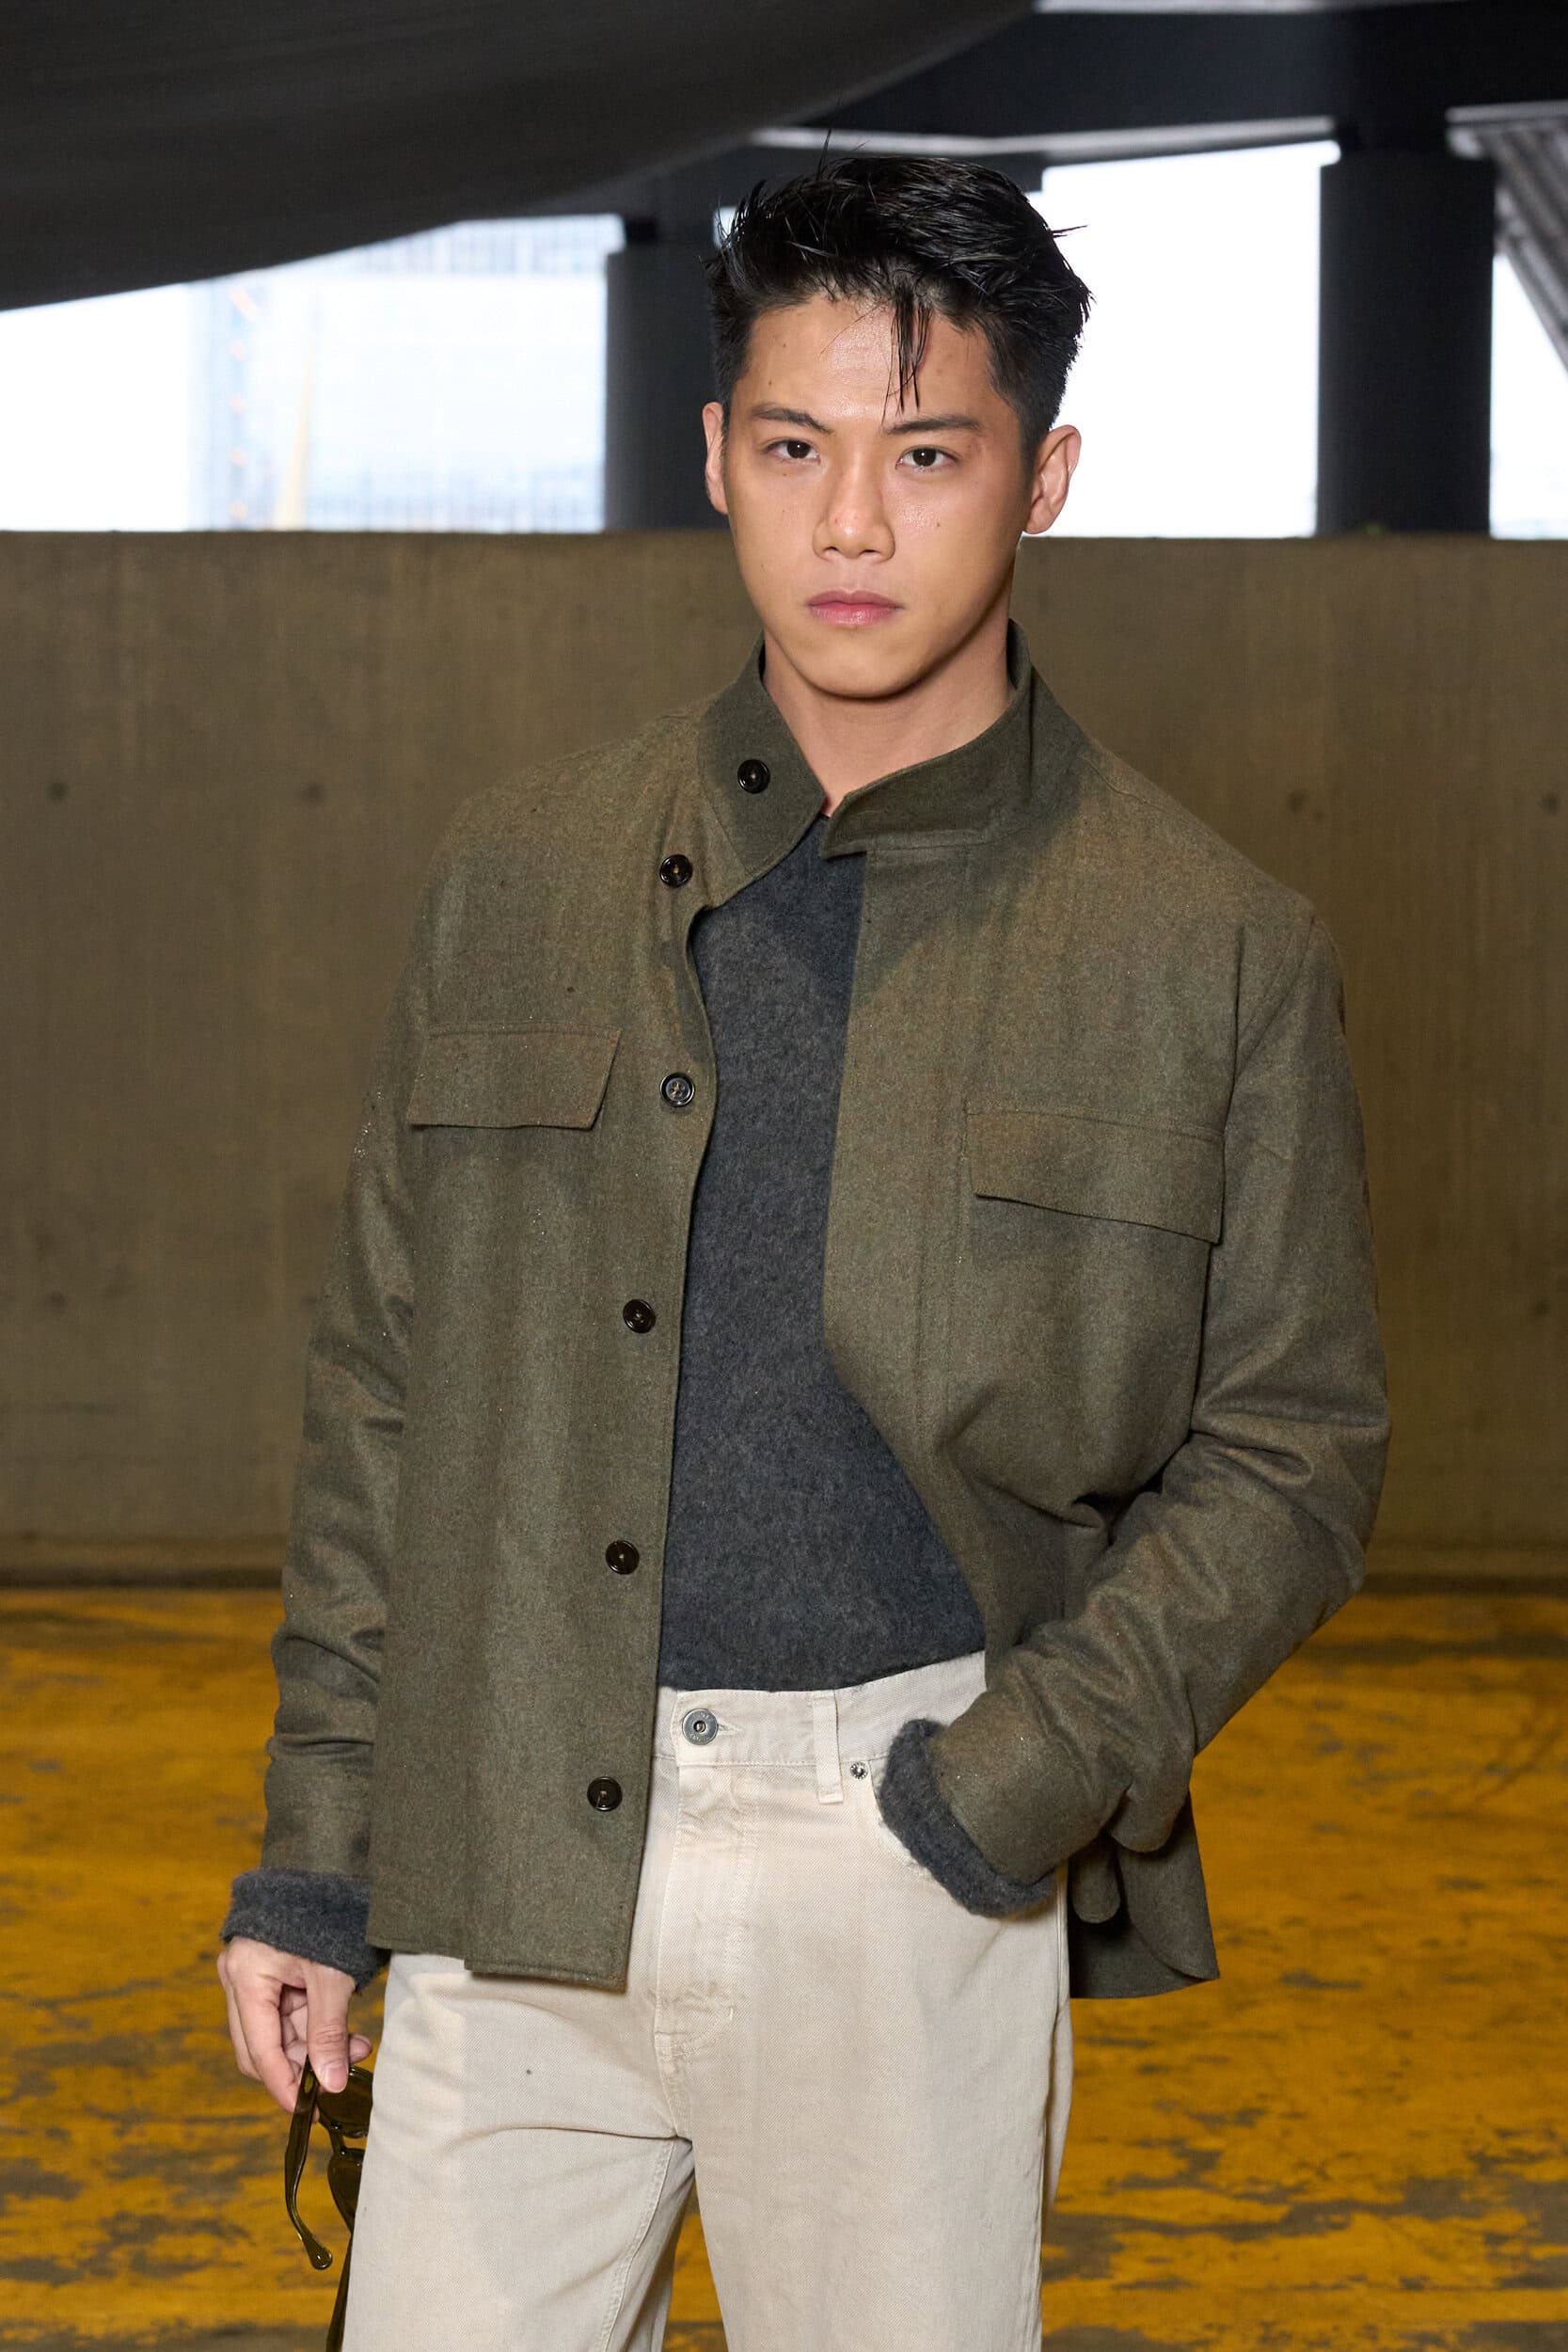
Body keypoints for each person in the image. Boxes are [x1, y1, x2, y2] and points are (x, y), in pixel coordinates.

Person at [217, 154, 1389, 2351]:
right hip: (509, 1842)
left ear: (1043, 477)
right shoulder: (518, 873)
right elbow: (393, 1391)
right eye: (793, 447)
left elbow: (1294, 1448)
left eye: (926, 455)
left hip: (904, 1855)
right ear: (714, 457)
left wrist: (1003, 1788)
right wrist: (318, 1849)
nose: (851, 523)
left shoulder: (1208, 945)